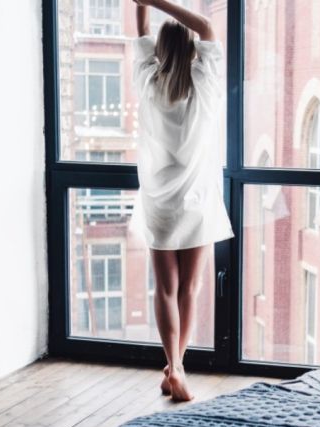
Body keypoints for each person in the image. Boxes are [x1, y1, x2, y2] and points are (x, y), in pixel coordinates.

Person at [131, 0, 233, 402]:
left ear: (160, 51)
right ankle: (178, 368)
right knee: (191, 287)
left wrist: (142, 6)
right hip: (198, 200)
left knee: (166, 289)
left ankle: (173, 365)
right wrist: (155, 1)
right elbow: (207, 25)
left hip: (159, 201)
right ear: (190, 51)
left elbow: (139, 36)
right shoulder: (205, 85)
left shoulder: (148, 82)